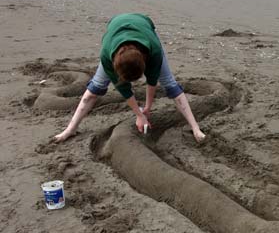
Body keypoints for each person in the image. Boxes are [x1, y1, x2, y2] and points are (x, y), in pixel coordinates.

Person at [54, 13, 205, 143]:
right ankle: (70, 129)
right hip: (115, 32)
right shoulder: (107, 54)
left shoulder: (154, 51)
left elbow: (152, 82)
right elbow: (124, 90)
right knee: (95, 88)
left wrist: (147, 108)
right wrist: (139, 115)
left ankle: (195, 129)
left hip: (145, 29)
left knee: (170, 85)